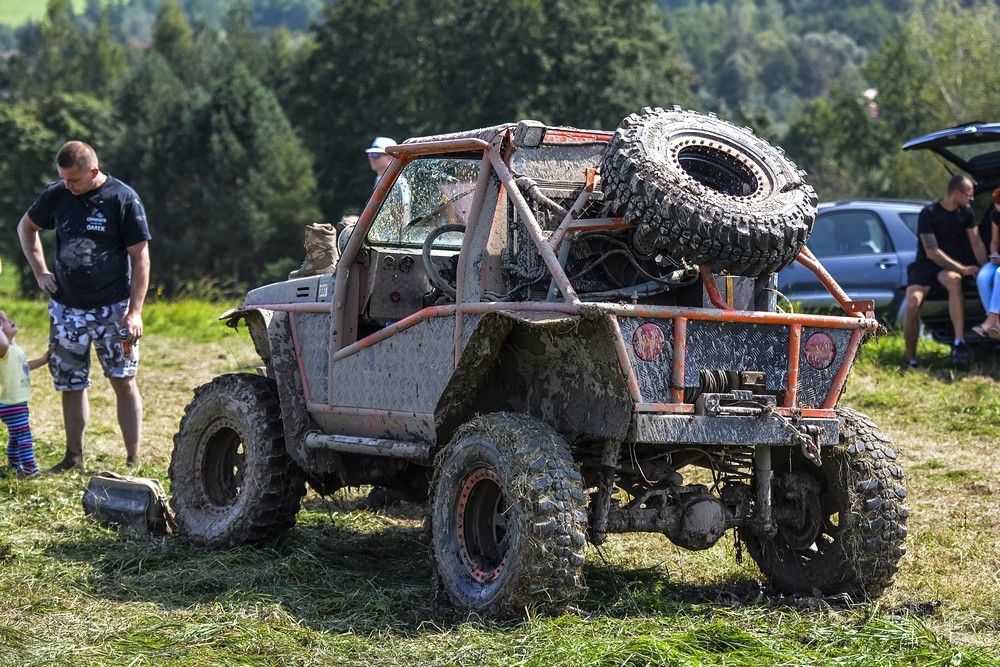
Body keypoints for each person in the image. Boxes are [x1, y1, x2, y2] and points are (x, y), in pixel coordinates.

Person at [16, 141, 151, 472]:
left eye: (74, 180)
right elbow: (26, 227)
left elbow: (141, 256)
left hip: (113, 309)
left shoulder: (122, 198)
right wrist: (40, 271)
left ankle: (133, 459)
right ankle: (73, 457)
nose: (67, 185)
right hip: (66, 310)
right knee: (69, 383)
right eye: (62, 178)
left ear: (94, 171)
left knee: (123, 379)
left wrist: (135, 311)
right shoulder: (57, 195)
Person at [903, 175, 988, 367]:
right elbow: (932, 252)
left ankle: (959, 343)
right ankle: (911, 360)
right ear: (956, 193)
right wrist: (961, 268)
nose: (972, 198)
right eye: (969, 194)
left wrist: (985, 269)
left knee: (954, 281)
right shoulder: (929, 213)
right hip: (925, 266)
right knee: (912, 304)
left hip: (948, 271)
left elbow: (976, 243)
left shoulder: (966, 212)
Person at [0, 311, 49, 478]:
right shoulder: (3, 350)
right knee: (25, 438)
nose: (9, 321)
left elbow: (24, 366)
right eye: (3, 321)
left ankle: (14, 465)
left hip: (18, 403)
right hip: (12, 404)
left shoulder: (14, 348)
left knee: (16, 437)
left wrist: (43, 360)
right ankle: (30, 470)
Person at [972, 187, 1000, 340]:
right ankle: (996, 323)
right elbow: (994, 241)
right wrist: (994, 253)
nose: (996, 207)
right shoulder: (996, 216)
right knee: (983, 275)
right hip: (998, 259)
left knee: (999, 275)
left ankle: (990, 322)